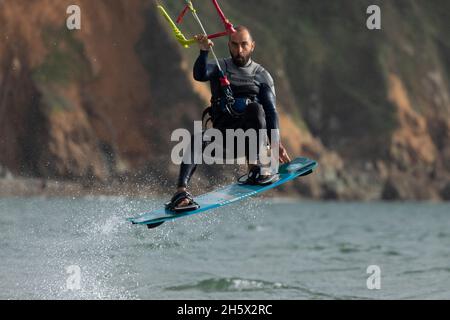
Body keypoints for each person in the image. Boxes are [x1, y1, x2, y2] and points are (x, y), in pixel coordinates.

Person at [166, 26, 291, 212]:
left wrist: (275, 143)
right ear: (229, 45)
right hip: (224, 138)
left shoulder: (262, 76)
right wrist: (203, 51)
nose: (239, 50)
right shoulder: (220, 66)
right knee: (199, 138)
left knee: (256, 108)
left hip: (251, 139)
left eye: (244, 45)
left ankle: (254, 168)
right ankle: (181, 193)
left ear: (252, 46)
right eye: (234, 45)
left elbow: (271, 113)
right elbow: (199, 74)